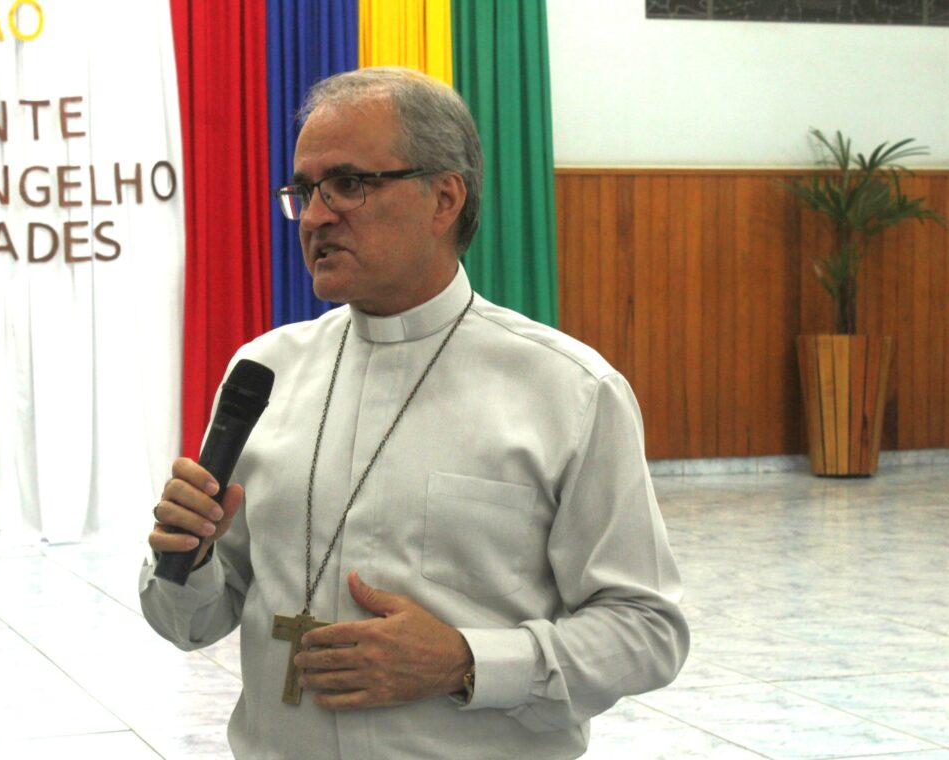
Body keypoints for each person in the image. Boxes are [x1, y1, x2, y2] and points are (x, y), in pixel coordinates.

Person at [140, 66, 688, 759]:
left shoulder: (569, 391)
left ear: (444, 199)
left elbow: (647, 631)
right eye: (304, 191)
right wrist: (187, 558)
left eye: (348, 185)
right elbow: (189, 622)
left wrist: (466, 660)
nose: (314, 216)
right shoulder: (265, 373)